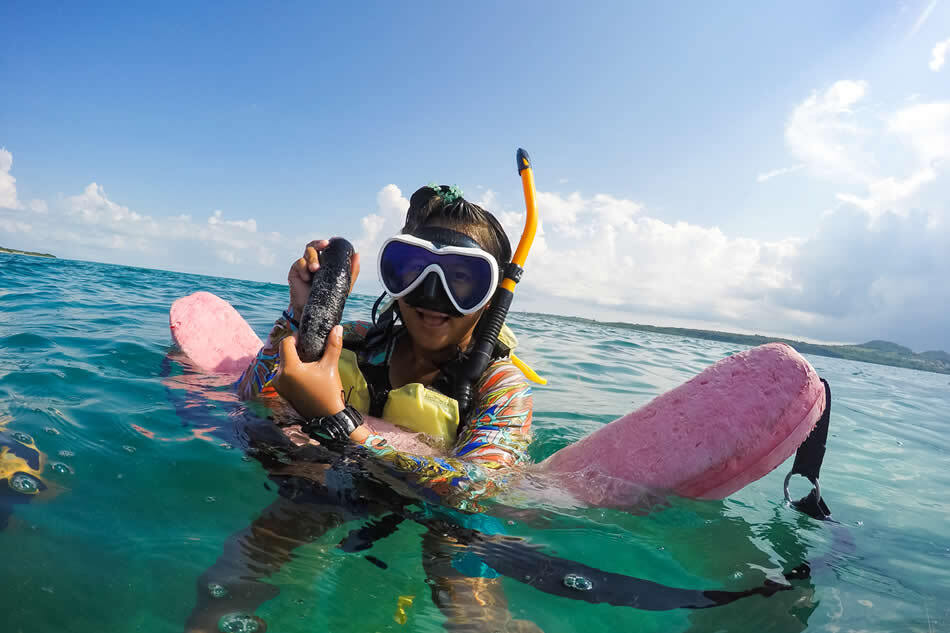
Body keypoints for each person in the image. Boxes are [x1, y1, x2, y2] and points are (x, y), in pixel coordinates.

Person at [186, 185, 541, 633]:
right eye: (412, 270)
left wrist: (341, 424)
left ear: (491, 296)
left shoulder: (498, 384)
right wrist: (301, 313)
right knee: (239, 569)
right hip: (333, 483)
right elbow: (252, 395)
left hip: (441, 516)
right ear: (392, 278)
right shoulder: (356, 340)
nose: (432, 296)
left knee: (468, 587)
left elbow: (478, 487)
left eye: (462, 278)